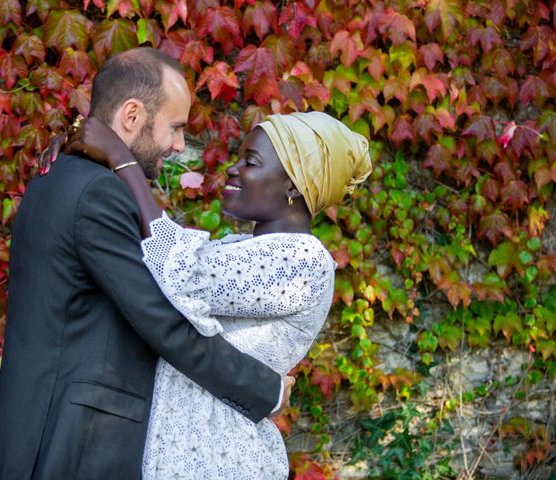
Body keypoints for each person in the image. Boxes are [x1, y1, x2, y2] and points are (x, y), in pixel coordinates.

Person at [0, 47, 294, 480]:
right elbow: (160, 320)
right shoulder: (98, 193)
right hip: (70, 447)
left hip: (38, 433)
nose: (180, 145)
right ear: (132, 115)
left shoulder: (59, 175)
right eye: (176, 127)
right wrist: (267, 388)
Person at [40, 109, 372, 478]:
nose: (232, 168)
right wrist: (86, 161)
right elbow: (154, 258)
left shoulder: (303, 259)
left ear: (293, 186)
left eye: (251, 161)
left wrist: (121, 159)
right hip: (182, 443)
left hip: (218, 454)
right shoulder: (238, 247)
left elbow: (182, 271)